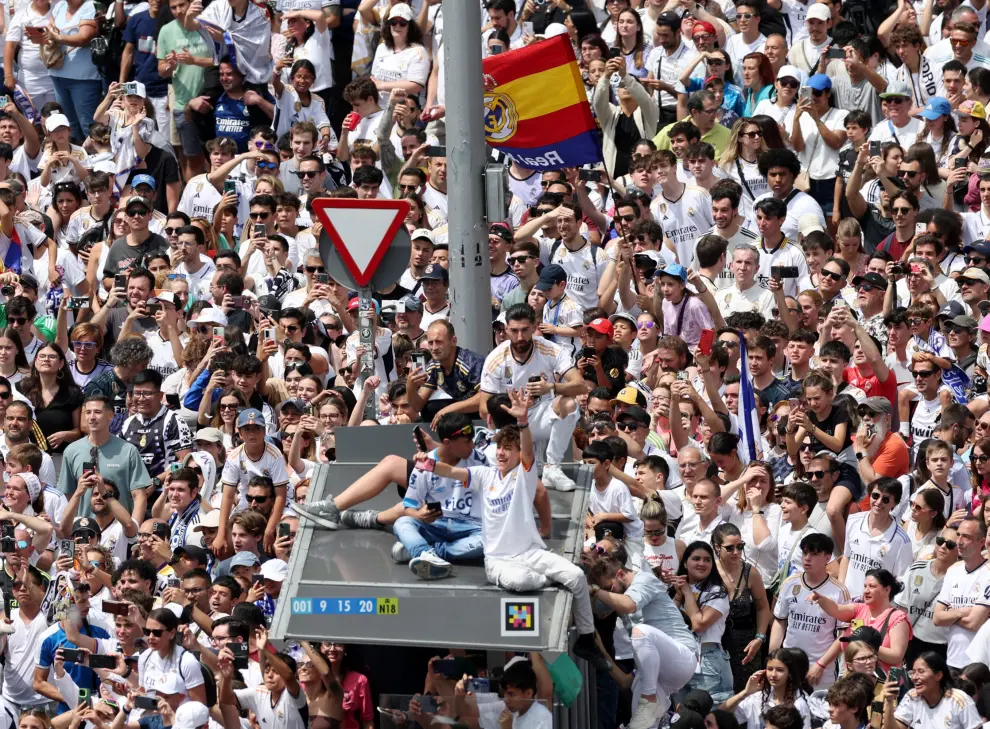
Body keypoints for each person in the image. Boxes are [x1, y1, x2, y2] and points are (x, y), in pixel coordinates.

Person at [414, 388, 608, 672]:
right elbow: (453, 472)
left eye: (509, 448)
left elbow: (529, 449)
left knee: (577, 576)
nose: (502, 453)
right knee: (522, 582)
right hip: (499, 561)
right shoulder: (484, 475)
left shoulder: (525, 476)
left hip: (530, 552)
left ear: (518, 454)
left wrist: (523, 423)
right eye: (500, 448)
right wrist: (429, 463)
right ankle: (553, 581)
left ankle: (587, 638)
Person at [770, 533, 849, 689]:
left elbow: (843, 635)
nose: (807, 558)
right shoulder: (790, 583)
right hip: (788, 664)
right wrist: (773, 659)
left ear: (827, 558)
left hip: (821, 670)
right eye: (805, 552)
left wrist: (821, 665)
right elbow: (780, 622)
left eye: (814, 554)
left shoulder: (839, 591)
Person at [884, 651, 982, 729]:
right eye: (912, 672)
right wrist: (889, 701)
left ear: (938, 675)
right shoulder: (912, 696)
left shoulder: (959, 700)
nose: (914, 677)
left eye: (920, 671)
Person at [721, 647, 813, 729]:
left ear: (789, 673)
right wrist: (745, 692)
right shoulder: (758, 698)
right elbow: (720, 715)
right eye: (770, 669)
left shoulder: (799, 704)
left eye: (780, 670)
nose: (773, 675)